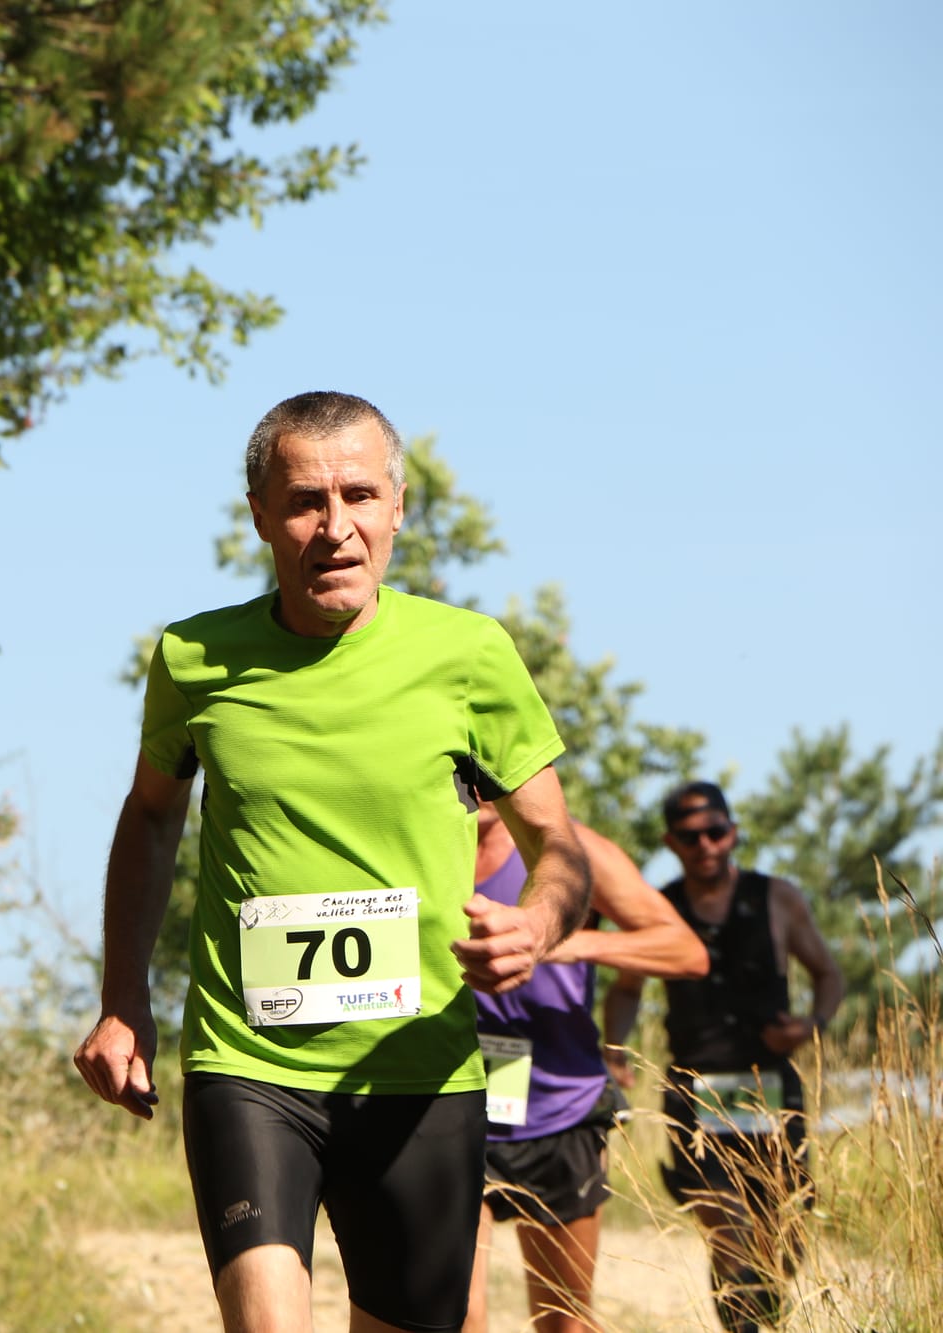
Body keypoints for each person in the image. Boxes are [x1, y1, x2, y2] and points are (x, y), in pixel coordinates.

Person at [72, 390, 592, 1333]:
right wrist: (123, 997)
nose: (335, 526)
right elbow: (150, 820)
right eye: (306, 500)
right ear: (262, 516)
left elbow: (559, 850)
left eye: (359, 495)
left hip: (419, 1074)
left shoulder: (468, 655)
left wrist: (537, 925)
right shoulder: (195, 658)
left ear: (399, 506)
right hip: (250, 1060)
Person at [602, 781, 844, 1333]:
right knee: (726, 1226)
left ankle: (767, 1314)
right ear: (671, 842)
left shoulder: (777, 898)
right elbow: (627, 989)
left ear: (733, 832)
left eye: (716, 832)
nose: (706, 845)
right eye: (690, 836)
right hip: (695, 1089)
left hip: (768, 1085)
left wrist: (813, 1025)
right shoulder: (659, 909)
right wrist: (614, 1055)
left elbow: (829, 975)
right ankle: (743, 1327)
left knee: (778, 1233)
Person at [461, 801, 707, 1333]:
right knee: (456, 1314)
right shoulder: (420, 846)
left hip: (560, 1105)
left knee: (563, 1320)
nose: (475, 784)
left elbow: (687, 952)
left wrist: (563, 939)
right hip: (456, 1095)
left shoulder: (573, 852)